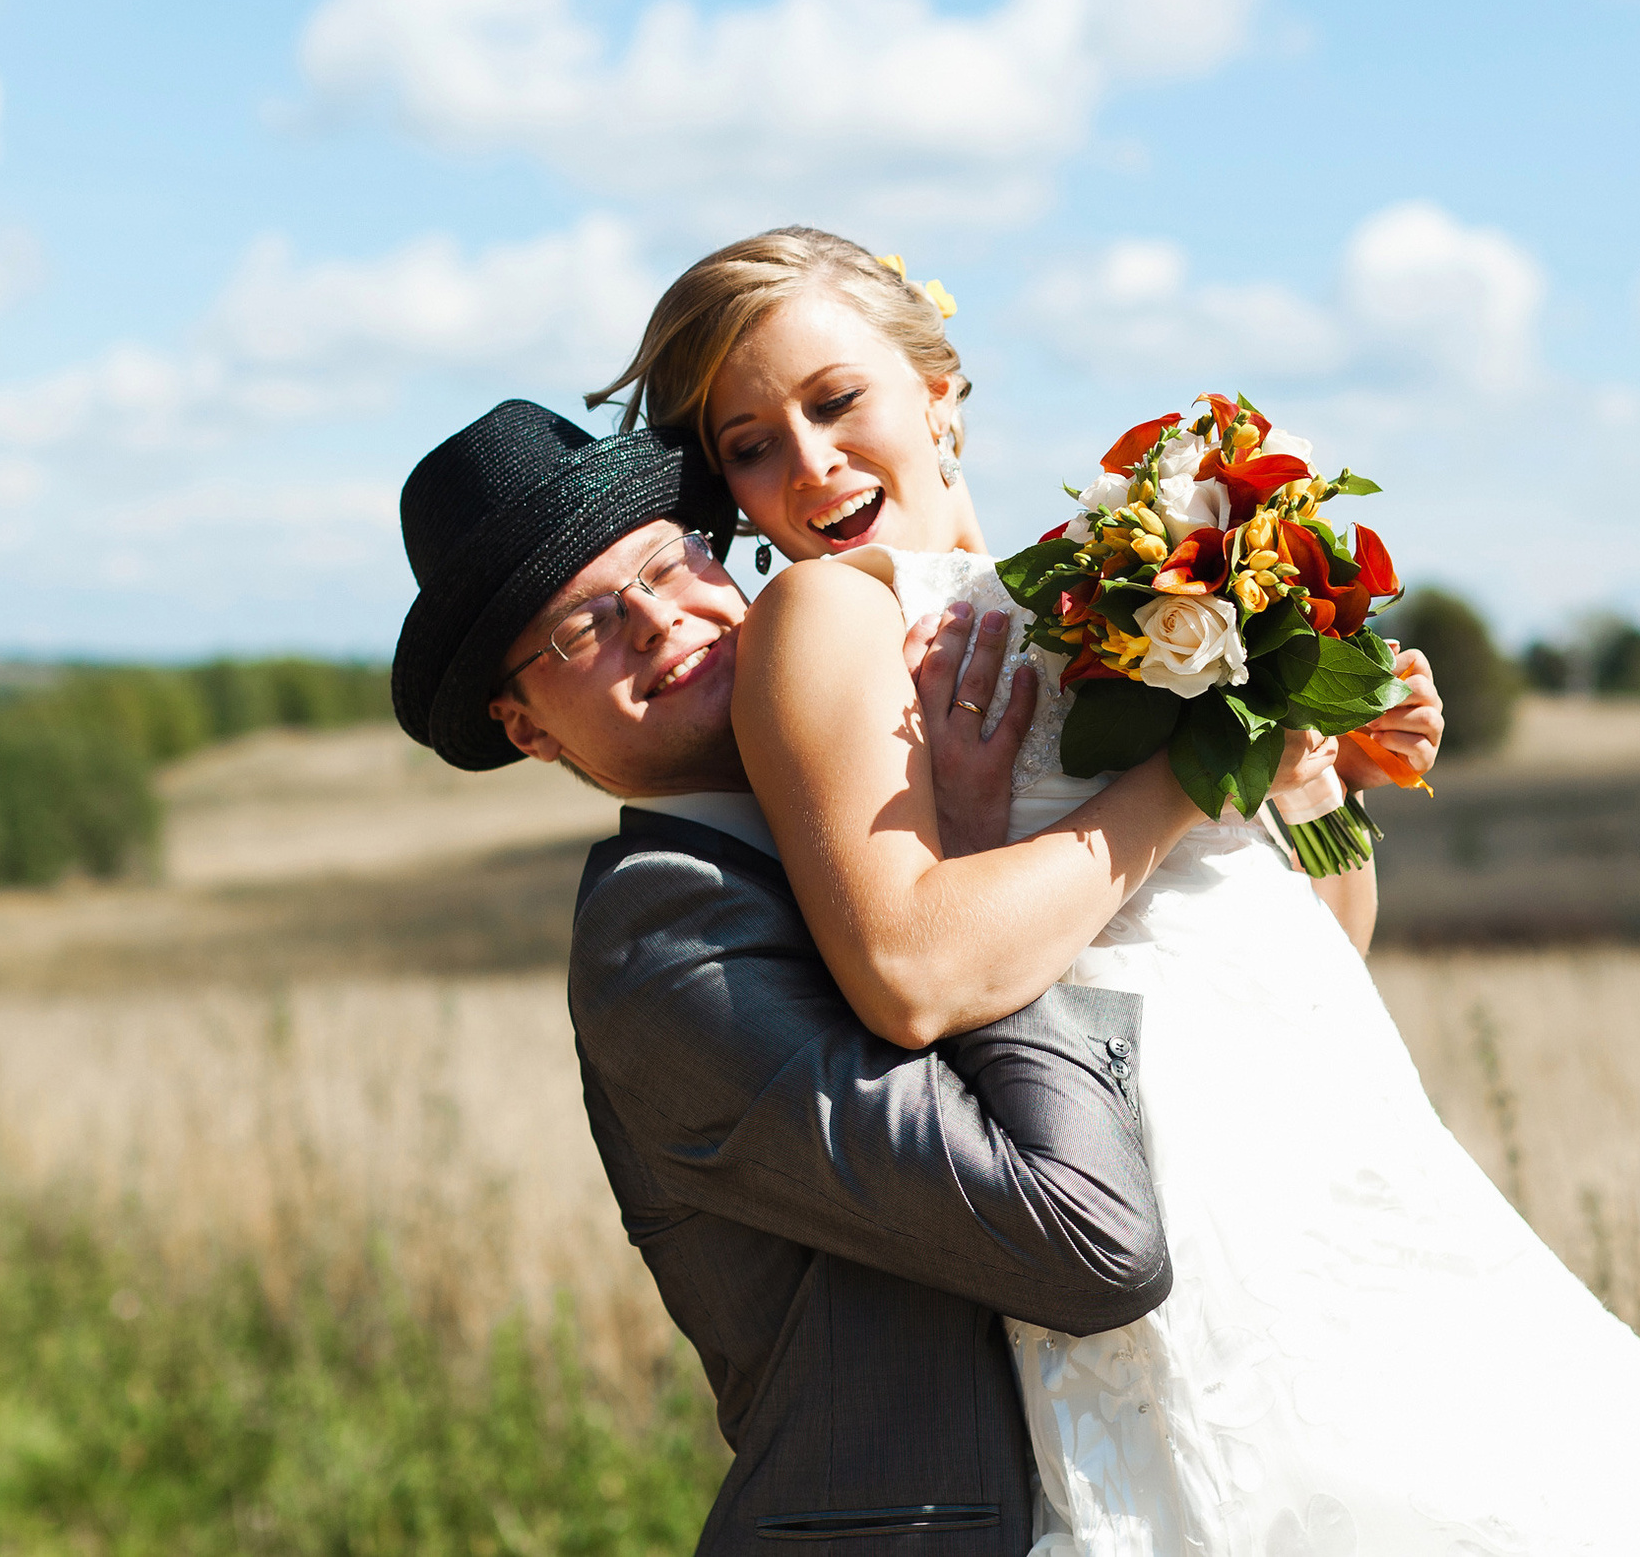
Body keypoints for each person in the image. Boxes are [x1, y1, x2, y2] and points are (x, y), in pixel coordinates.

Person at [590, 228, 1640, 1555]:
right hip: (1164, 1187)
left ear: (939, 390)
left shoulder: (1133, 582)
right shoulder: (829, 618)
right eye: (750, 443)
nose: (810, 462)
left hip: (1339, 1147)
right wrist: (1192, 777)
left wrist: (1311, 777)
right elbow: (910, 968)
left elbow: (1313, 942)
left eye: (836, 401)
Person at [391, 400, 1274, 1555]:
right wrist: (974, 855)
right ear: (527, 728)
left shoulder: (875, 806)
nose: (658, 621)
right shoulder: (663, 945)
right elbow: (1084, 1234)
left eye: (671, 562)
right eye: (582, 629)